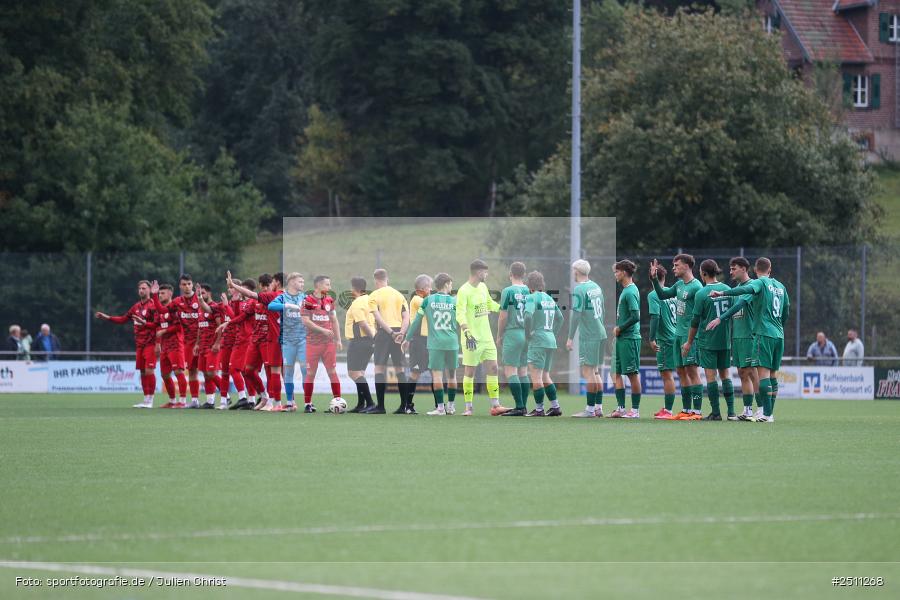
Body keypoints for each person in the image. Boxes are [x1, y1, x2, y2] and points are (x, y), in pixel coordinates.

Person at [708, 257, 790, 423]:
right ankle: (767, 412)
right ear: (770, 268)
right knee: (771, 374)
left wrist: (722, 293)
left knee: (762, 374)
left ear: (753, 269)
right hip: (778, 334)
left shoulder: (759, 283)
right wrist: (779, 327)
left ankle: (765, 413)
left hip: (762, 333)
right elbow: (786, 310)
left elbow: (745, 292)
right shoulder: (781, 286)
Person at [650, 254, 703, 420]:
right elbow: (662, 295)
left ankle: (697, 411)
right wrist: (653, 279)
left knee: (692, 372)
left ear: (687, 266)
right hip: (678, 335)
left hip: (690, 336)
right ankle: (686, 409)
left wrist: (691, 340)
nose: (674, 268)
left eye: (677, 265)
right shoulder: (679, 284)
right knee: (681, 371)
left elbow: (699, 315)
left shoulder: (697, 287)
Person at [456, 259, 511, 416]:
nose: (486, 274)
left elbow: (489, 304)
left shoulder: (483, 287)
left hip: (486, 338)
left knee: (493, 368)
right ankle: (468, 408)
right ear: (478, 272)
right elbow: (459, 313)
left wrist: (503, 308)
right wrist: (466, 332)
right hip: (471, 338)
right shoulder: (463, 291)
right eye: (485, 272)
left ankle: (495, 405)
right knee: (470, 372)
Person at [683, 259, 736, 421]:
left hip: (708, 341)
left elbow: (695, 322)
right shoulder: (727, 289)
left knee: (711, 377)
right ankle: (732, 412)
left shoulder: (701, 294)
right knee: (726, 375)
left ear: (703, 273)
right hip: (725, 340)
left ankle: (716, 413)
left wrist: (689, 342)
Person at [402, 273, 459, 415]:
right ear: (446, 284)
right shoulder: (454, 301)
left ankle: (440, 407)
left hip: (434, 342)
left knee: (437, 375)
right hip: (449, 341)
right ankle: (450, 406)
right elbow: (460, 320)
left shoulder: (429, 301)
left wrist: (406, 338)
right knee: (451, 375)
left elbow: (416, 322)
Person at [94, 281, 158, 408]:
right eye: (139, 288)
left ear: (150, 290)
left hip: (150, 343)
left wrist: (158, 343)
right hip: (139, 344)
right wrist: (107, 317)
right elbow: (123, 319)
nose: (141, 290)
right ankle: (145, 400)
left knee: (149, 371)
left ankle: (151, 400)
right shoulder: (136, 307)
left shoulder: (153, 306)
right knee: (143, 372)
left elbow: (157, 325)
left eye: (144, 288)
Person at [364, 269, 410, 414]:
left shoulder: (374, 295)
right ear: (387, 279)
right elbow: (406, 317)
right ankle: (404, 406)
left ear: (375, 280)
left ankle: (381, 406)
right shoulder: (399, 295)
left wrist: (391, 333)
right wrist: (401, 333)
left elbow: (378, 317)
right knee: (400, 369)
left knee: (379, 368)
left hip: (385, 334)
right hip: (399, 333)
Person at [567, 259, 608, 418]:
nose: (572, 273)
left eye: (573, 270)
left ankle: (590, 410)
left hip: (589, 336)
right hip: (600, 332)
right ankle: (598, 407)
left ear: (577, 271)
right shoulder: (595, 286)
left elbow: (576, 315)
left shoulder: (579, 289)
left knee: (588, 371)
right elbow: (603, 310)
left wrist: (570, 338)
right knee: (596, 371)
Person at [523, 270, 564, 417]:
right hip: (549, 340)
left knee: (536, 376)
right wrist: (552, 333)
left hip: (538, 341)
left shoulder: (532, 297)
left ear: (530, 285)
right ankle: (555, 407)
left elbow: (527, 317)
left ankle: (539, 409)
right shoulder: (549, 298)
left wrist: (528, 334)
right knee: (545, 375)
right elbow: (561, 318)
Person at [725, 257, 761, 421]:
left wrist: (721, 318)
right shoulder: (737, 288)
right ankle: (747, 410)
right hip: (737, 337)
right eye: (730, 269)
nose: (731, 272)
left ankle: (761, 410)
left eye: (734, 269)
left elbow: (738, 306)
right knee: (742, 373)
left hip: (748, 336)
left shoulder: (751, 287)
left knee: (752, 372)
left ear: (744, 269)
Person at [267, 272, 309, 412]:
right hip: (287, 341)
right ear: (291, 283)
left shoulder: (305, 297)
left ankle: (308, 403)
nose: (302, 284)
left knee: (305, 370)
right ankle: (290, 402)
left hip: (303, 339)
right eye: (299, 282)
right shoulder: (282, 297)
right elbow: (271, 306)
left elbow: (315, 309)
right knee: (288, 372)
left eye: (303, 282)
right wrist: (287, 306)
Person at [301, 275, 343, 411]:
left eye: (329, 285)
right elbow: (305, 321)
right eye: (327, 285)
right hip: (312, 343)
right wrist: (323, 330)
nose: (329, 287)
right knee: (311, 373)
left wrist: (338, 339)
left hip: (328, 344)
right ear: (318, 286)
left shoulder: (329, 300)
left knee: (332, 371)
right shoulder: (307, 300)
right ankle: (308, 404)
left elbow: (334, 320)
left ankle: (337, 402)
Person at [609, 260, 642, 418]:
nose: (615, 274)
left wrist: (620, 328)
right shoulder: (625, 290)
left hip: (630, 338)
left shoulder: (630, 291)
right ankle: (621, 408)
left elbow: (636, 316)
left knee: (632, 374)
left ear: (623, 272)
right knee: (616, 373)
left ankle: (634, 411)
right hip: (622, 339)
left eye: (616, 271)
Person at [497, 262, 531, 416]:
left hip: (513, 332)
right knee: (523, 371)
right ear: (524, 274)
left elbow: (503, 316)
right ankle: (523, 406)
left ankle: (519, 406)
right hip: (527, 333)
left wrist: (499, 334)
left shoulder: (508, 291)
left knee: (510, 369)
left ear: (510, 274)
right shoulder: (530, 291)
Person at [151, 281, 189, 408]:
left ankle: (182, 401)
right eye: (159, 293)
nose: (160, 295)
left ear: (170, 293)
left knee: (178, 371)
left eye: (162, 293)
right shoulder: (159, 311)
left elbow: (179, 327)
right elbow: (157, 327)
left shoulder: (175, 308)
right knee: (165, 374)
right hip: (164, 346)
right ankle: (172, 401)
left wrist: (164, 331)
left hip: (176, 344)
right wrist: (157, 343)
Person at [648, 265, 678, 420]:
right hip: (676, 335)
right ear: (664, 277)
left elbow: (655, 317)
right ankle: (670, 408)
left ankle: (668, 410)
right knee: (678, 373)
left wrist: (651, 338)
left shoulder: (654, 294)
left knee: (667, 374)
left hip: (665, 339)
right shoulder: (672, 294)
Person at [344, 276, 376, 412]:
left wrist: (373, 338)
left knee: (353, 373)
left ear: (354, 289)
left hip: (359, 342)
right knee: (360, 373)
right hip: (368, 342)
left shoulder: (357, 303)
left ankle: (369, 402)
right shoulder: (370, 300)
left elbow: (362, 323)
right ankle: (360, 404)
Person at [171, 274, 202, 408]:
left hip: (204, 340)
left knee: (209, 372)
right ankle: (195, 400)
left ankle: (224, 398)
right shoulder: (178, 301)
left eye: (189, 284)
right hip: (189, 342)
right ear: (180, 286)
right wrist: (155, 296)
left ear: (192, 284)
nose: (187, 287)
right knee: (193, 370)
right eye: (184, 284)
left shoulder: (200, 298)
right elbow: (163, 311)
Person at [405, 274, 433, 412]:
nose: (431, 289)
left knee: (435, 372)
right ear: (421, 289)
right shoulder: (416, 299)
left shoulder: (426, 298)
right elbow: (430, 304)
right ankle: (408, 405)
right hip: (418, 341)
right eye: (429, 287)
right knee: (415, 372)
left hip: (429, 341)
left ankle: (439, 405)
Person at [195, 284, 225, 409]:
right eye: (199, 294)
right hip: (202, 345)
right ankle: (210, 401)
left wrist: (218, 343)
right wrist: (197, 344)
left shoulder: (215, 307)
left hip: (212, 346)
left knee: (211, 373)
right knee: (206, 374)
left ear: (209, 293)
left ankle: (226, 396)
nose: (201, 295)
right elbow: (199, 328)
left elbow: (221, 326)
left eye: (203, 293)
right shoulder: (201, 310)